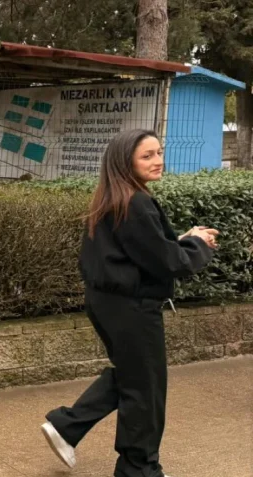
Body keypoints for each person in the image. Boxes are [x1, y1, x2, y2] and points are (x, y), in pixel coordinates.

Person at [41, 129, 218, 477]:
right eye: (147, 156)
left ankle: (67, 426)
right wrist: (198, 244)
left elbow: (143, 250)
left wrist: (184, 239)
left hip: (110, 303)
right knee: (146, 390)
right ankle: (138, 469)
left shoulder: (115, 198)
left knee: (134, 377)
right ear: (125, 162)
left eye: (159, 152)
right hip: (131, 307)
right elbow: (170, 263)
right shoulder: (134, 202)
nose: (158, 161)